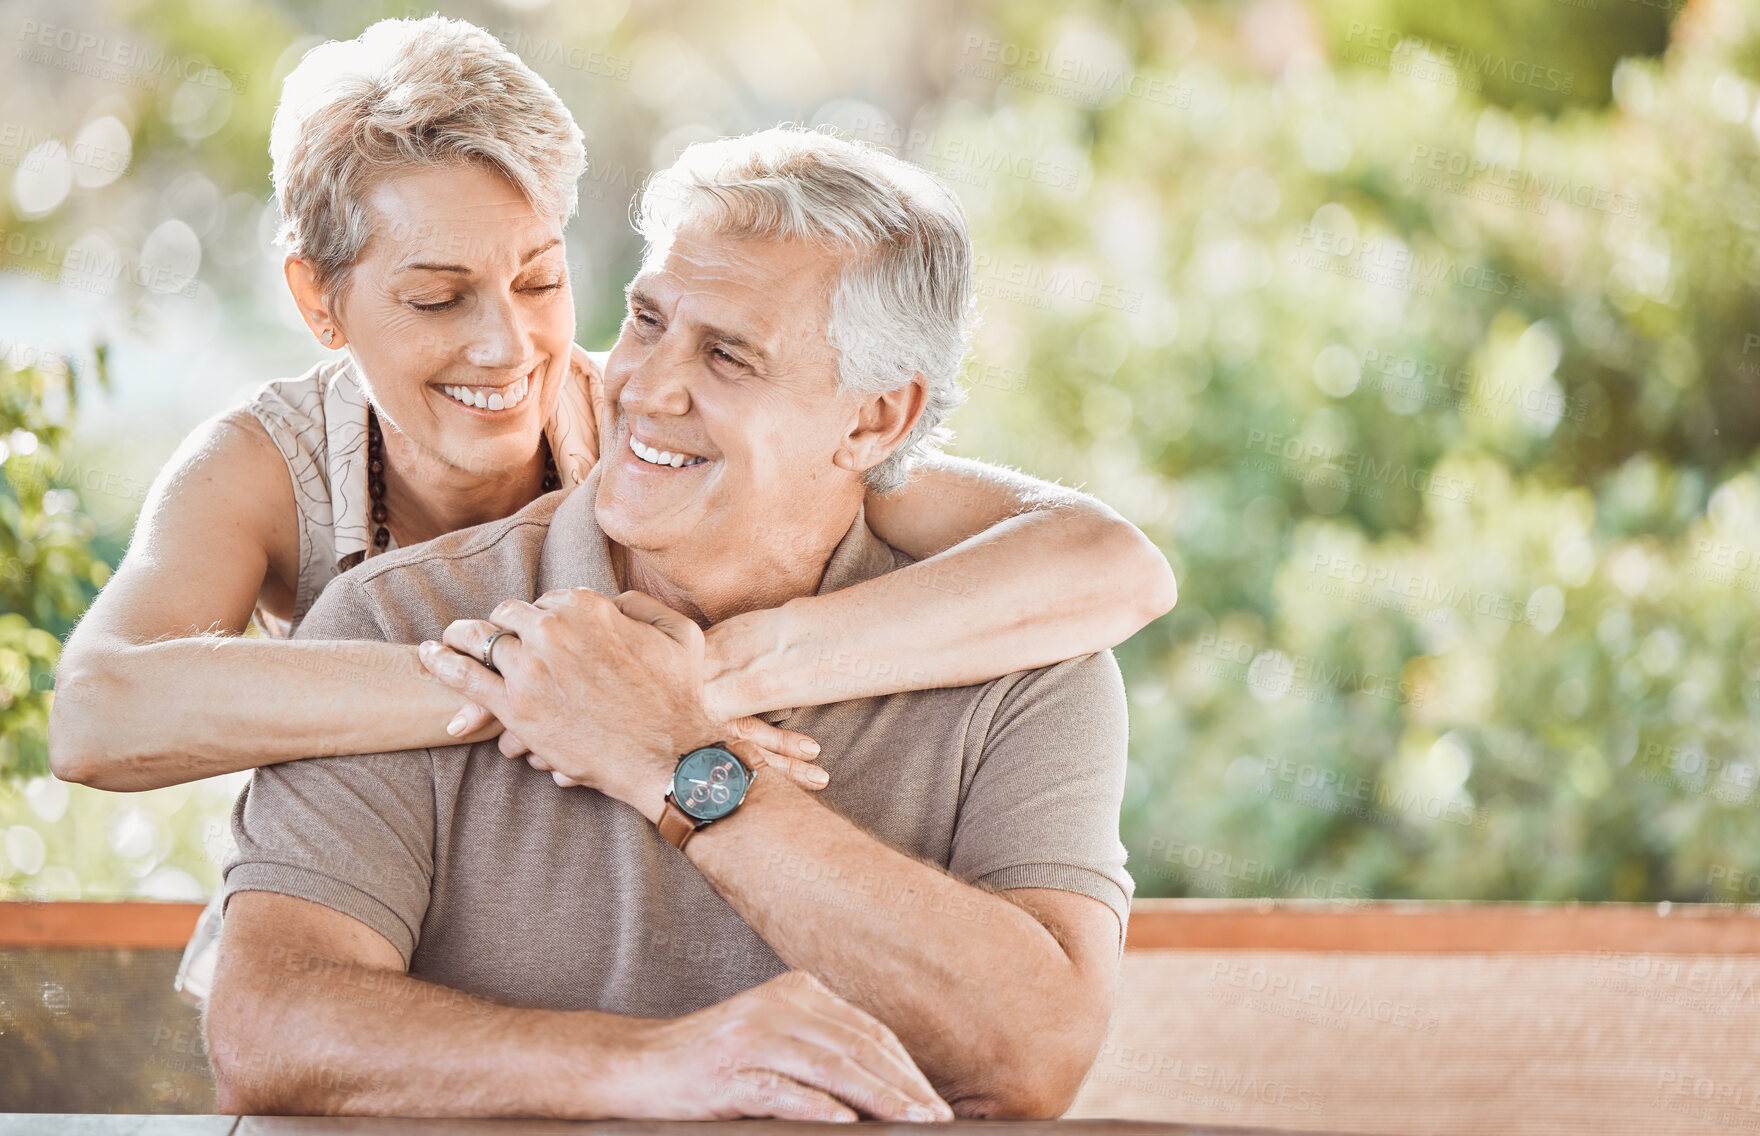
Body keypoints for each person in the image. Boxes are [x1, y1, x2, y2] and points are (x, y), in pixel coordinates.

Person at [46, 15, 1171, 1006]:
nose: (507, 345)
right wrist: (533, 682)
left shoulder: (650, 421)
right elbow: (97, 713)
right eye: (437, 297)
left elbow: (1109, 565)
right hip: (380, 896)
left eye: (539, 281)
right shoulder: (267, 465)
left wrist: (710, 676)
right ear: (318, 301)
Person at [208, 125, 1131, 1122]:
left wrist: (676, 759)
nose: (644, 386)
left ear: (872, 421)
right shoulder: (398, 614)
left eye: (727, 354)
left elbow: (1034, 1055)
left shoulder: (1024, 669)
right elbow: (266, 1026)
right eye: (646, 321)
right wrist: (655, 1066)